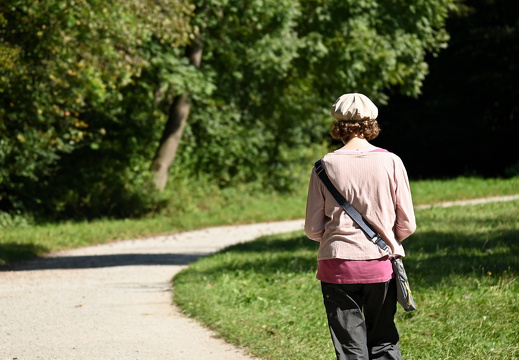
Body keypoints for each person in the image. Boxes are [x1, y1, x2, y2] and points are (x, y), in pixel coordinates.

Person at [304, 93, 416, 360]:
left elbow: (312, 228)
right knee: (384, 340)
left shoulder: (323, 166)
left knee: (350, 348)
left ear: (338, 125)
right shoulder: (391, 161)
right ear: (371, 124)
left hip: (336, 265)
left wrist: (335, 239)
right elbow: (407, 224)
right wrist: (387, 238)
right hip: (379, 264)